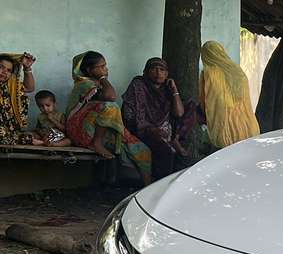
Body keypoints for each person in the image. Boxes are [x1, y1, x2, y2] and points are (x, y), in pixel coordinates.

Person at [66, 51, 152, 185]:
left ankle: (147, 190)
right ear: (89, 70)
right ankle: (97, 143)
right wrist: (103, 78)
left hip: (97, 128)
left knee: (143, 151)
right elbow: (110, 97)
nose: (105, 69)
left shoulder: (96, 84)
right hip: (80, 131)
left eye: (105, 66)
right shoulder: (84, 85)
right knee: (111, 107)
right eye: (101, 67)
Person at [122, 57, 199, 180]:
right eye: (154, 69)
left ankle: (176, 139)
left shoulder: (166, 89)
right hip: (144, 129)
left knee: (191, 105)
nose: (158, 73)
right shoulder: (138, 85)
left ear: (167, 74)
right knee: (166, 151)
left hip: (166, 128)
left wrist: (174, 90)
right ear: (146, 71)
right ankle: (159, 184)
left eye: (162, 70)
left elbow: (179, 113)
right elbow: (131, 116)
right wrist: (150, 128)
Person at [200, 41, 259, 148]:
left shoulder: (208, 74)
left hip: (225, 133)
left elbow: (204, 104)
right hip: (250, 128)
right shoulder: (237, 71)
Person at [0, 52, 38, 145]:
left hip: (7, 130)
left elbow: (29, 88)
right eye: (1, 67)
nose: (5, 72)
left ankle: (19, 137)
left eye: (9, 70)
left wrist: (27, 68)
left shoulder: (10, 86)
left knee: (21, 96)